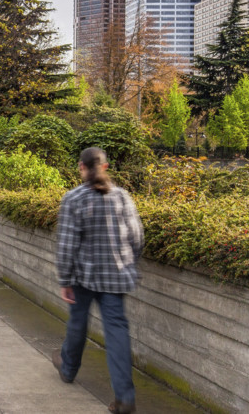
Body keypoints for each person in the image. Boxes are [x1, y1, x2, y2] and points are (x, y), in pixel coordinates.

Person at [56, 146, 144, 414]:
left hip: (84, 277)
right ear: (105, 167)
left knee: (78, 324)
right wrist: (129, 263)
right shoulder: (122, 197)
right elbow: (137, 238)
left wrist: (65, 279)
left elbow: (67, 245)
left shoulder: (73, 199)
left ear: (81, 168)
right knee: (117, 333)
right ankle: (124, 398)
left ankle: (68, 369)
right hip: (117, 278)